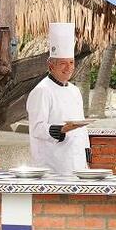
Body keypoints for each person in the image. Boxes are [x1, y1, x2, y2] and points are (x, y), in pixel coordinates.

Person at [26, 23, 91, 173]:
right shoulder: (42, 91)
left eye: (71, 62)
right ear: (51, 66)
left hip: (77, 165)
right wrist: (61, 129)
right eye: (63, 63)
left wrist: (87, 158)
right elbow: (36, 128)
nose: (68, 68)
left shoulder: (75, 91)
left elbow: (82, 129)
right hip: (52, 167)